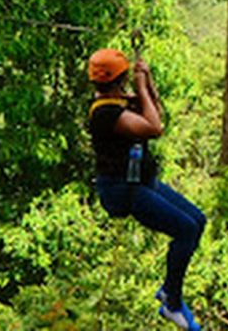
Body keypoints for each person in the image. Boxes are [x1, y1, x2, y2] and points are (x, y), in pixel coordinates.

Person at [87, 48, 206, 331]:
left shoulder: (118, 100)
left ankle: (170, 293)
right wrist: (140, 86)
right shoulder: (105, 112)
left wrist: (148, 81)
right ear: (122, 77)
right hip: (122, 190)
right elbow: (154, 128)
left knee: (198, 221)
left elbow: (156, 113)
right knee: (186, 230)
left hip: (139, 182)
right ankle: (171, 301)